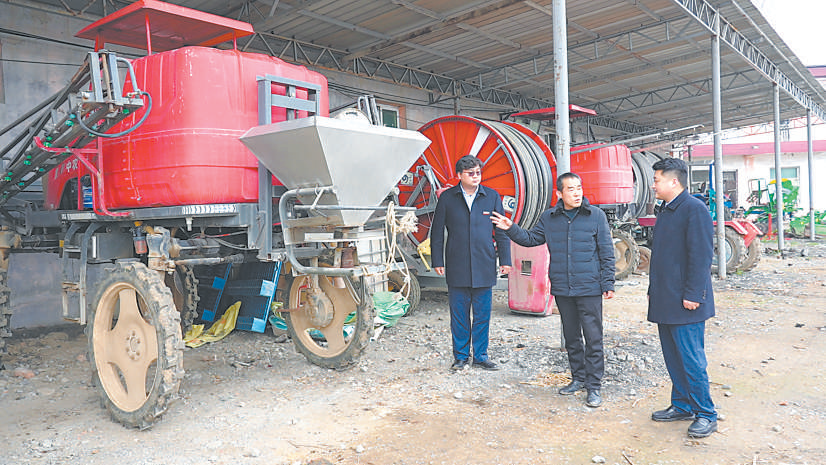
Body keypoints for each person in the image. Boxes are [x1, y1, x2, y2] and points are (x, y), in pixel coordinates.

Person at [491, 172, 614, 408]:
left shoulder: (595, 216)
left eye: (579, 188)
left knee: (593, 338)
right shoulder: (550, 218)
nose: (577, 193)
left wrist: (608, 283)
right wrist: (510, 228)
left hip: (589, 287)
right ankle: (578, 378)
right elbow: (530, 239)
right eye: (571, 189)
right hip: (563, 287)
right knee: (572, 337)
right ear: (559, 193)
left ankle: (594, 386)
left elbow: (606, 251)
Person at [647, 157, 718, 438]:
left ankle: (706, 413)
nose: (653, 185)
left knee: (691, 359)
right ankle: (682, 405)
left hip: (686, 301)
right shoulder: (666, 210)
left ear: (673, 181)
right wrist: (653, 291)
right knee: (674, 357)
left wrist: (693, 294)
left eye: (657, 180)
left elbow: (701, 255)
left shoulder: (694, 209)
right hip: (665, 298)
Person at [430, 155, 512, 372]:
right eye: (471, 173)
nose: (476, 177)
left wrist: (506, 259)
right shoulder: (448, 198)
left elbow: (501, 231)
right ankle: (460, 356)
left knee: (482, 315)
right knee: (459, 315)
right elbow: (437, 231)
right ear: (459, 175)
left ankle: (481, 356)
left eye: (478, 173)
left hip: (484, 263)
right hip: (457, 263)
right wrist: (437, 260)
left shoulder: (491, 197)